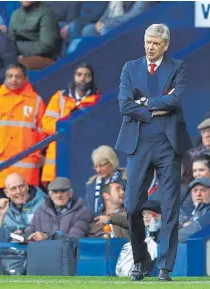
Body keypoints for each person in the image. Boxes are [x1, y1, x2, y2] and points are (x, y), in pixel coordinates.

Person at [115, 23, 193, 282]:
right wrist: (155, 105)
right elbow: (125, 105)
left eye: (156, 43)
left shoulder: (178, 67)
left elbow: (175, 100)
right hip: (138, 145)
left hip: (169, 145)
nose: (150, 47)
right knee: (131, 206)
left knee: (171, 207)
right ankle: (141, 260)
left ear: (166, 46)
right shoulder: (129, 67)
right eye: (147, 41)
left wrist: (144, 102)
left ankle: (165, 268)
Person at [0, 62, 45, 229]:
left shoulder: (36, 101)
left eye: (18, 76)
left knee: (27, 219)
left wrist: (36, 156)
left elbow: (41, 133)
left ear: (25, 78)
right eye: (10, 76)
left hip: (25, 170)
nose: (13, 80)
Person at [42, 62, 101, 184]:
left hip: (82, 160)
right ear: (74, 76)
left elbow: (97, 129)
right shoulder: (59, 97)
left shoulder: (97, 100)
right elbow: (46, 123)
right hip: (57, 161)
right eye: (79, 75)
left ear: (92, 78)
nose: (83, 79)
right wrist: (67, 128)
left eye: (87, 75)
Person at [25, 177, 92, 241]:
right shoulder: (40, 210)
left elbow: (74, 238)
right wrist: (21, 235)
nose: (59, 195)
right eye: (55, 192)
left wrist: (47, 237)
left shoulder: (83, 212)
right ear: (51, 196)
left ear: (70, 193)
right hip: (42, 251)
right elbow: (29, 232)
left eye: (62, 191)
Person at [0, 173, 45, 242]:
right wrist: (0, 217)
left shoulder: (45, 204)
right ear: (6, 193)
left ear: (27, 186)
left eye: (21, 186)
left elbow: (57, 234)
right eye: (13, 188)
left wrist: (43, 236)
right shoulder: (6, 211)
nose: (18, 191)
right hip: (15, 252)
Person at [9, 1, 61, 70]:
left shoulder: (47, 14)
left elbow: (46, 47)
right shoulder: (15, 14)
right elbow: (9, 40)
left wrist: (16, 48)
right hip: (17, 55)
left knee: (17, 66)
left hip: (44, 58)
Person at [85, 145, 127, 217]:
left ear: (112, 162)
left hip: (120, 224)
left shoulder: (125, 180)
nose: (98, 170)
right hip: (96, 226)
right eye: (96, 166)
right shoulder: (91, 184)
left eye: (102, 165)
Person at [178, 178, 210, 243]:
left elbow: (194, 231)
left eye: (203, 190)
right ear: (191, 194)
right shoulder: (187, 211)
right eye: (195, 190)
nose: (198, 194)